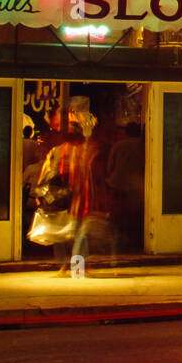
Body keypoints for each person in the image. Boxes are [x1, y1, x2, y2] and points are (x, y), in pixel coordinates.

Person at [37, 118, 104, 275]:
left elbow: (47, 174)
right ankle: (77, 267)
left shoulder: (58, 151)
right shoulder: (84, 150)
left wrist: (42, 194)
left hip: (62, 199)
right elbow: (91, 175)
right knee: (79, 232)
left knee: (61, 232)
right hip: (77, 198)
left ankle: (65, 266)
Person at [106, 122, 145, 261]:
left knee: (118, 217)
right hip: (138, 185)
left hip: (118, 185)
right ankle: (135, 242)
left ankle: (118, 244)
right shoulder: (144, 146)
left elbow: (110, 166)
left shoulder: (118, 145)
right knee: (135, 216)